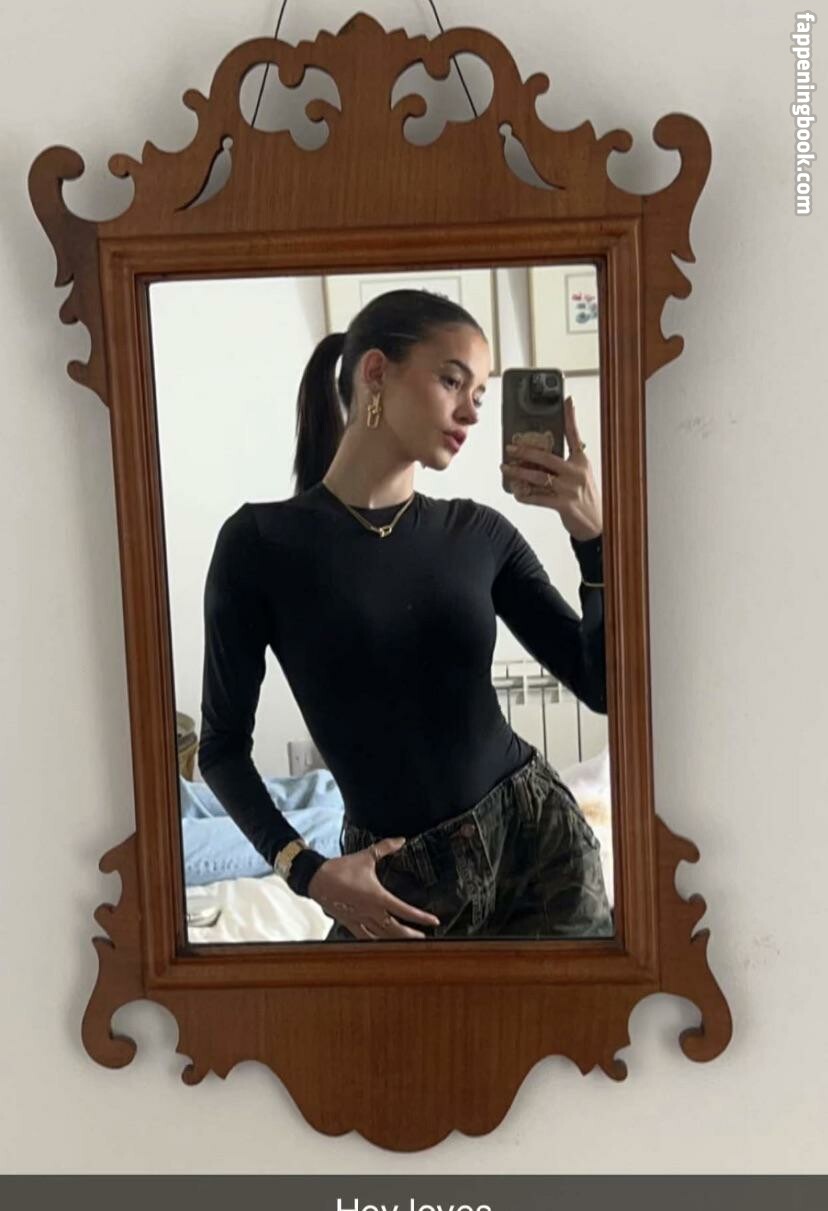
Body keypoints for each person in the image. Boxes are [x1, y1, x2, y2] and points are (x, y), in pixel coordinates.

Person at [197, 288, 613, 942]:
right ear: (375, 372)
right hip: (397, 880)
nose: (470, 411)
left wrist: (593, 537)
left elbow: (603, 685)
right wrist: (307, 871)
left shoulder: (480, 534)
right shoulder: (258, 545)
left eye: (480, 394)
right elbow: (221, 747)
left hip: (539, 850)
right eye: (453, 380)